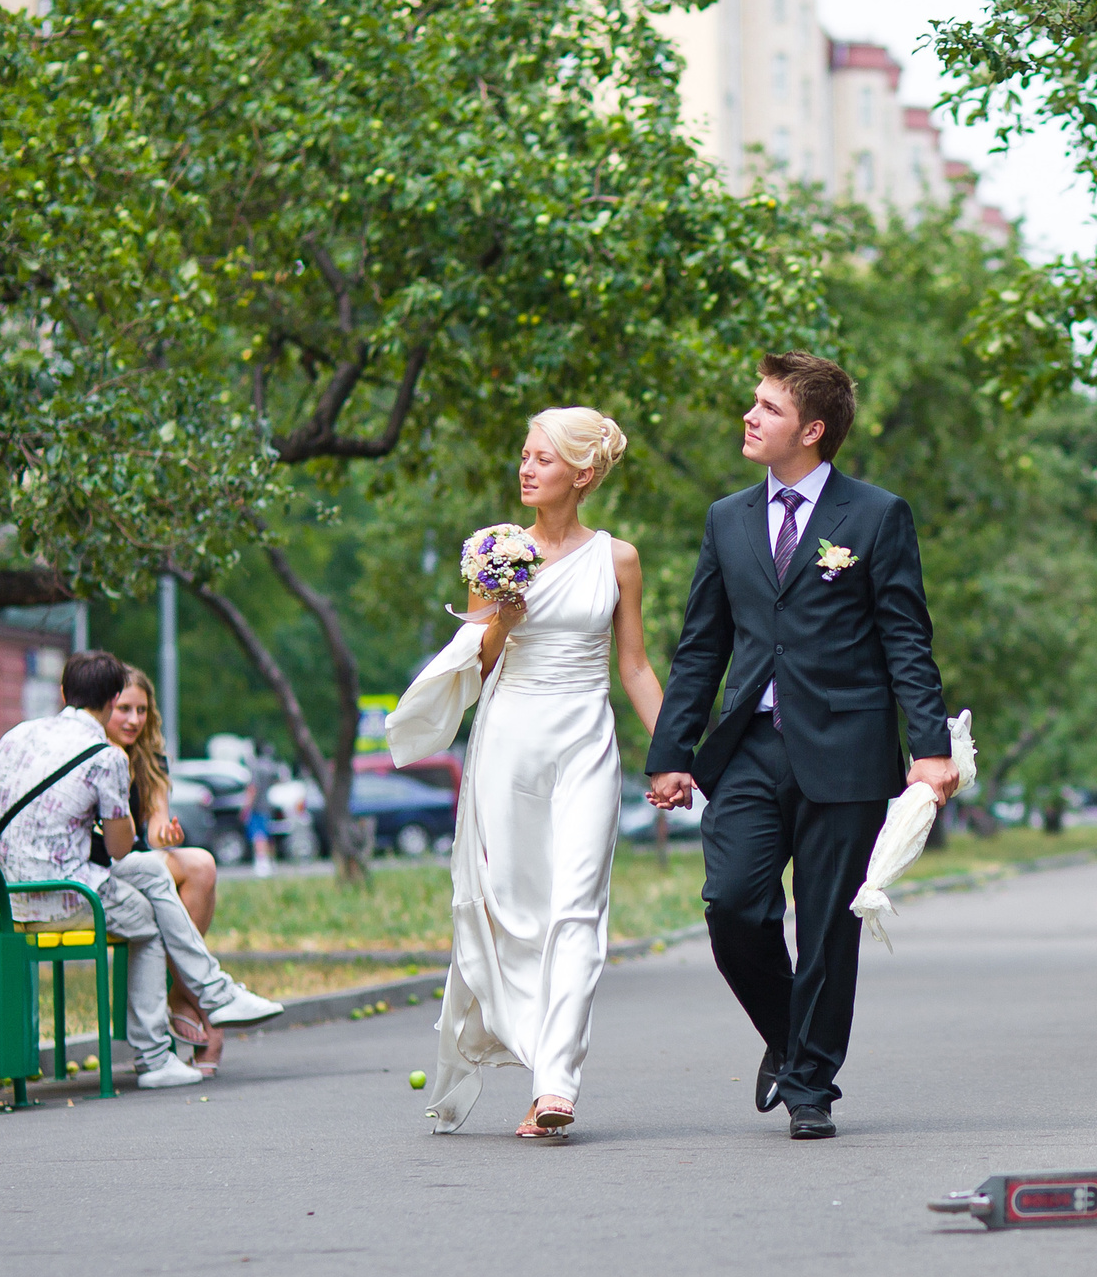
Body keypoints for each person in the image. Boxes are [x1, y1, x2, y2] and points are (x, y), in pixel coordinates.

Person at [645, 351, 958, 1140]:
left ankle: (811, 1084)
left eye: (767, 408)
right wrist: (671, 751)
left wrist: (929, 746)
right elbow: (701, 645)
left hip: (846, 750)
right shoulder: (727, 518)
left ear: (812, 430)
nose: (748, 417)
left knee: (825, 926)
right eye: (752, 405)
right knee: (733, 906)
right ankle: (790, 1039)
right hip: (750, 745)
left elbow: (906, 641)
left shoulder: (876, 516)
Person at [388, 406, 664, 1138]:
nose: (526, 467)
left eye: (542, 457)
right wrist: (503, 612)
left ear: (581, 472)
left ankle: (555, 1083)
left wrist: (673, 751)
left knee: (578, 906)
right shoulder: (494, 550)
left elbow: (633, 666)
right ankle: (532, 1051)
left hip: (585, 740)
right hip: (509, 738)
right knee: (514, 912)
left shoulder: (619, 558)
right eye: (523, 454)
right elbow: (475, 665)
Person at [0, 651, 283, 1091]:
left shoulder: (18, 735)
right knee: (148, 920)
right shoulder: (105, 757)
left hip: (2, 895)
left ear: (62, 693)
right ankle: (158, 1053)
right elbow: (117, 848)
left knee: (151, 872)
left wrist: (24, 846)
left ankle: (215, 992)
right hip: (67, 898)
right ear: (113, 700)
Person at [105, 666, 230, 1075]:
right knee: (194, 870)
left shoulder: (149, 757)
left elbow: (157, 828)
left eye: (142, 710)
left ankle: (181, 994)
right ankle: (194, 998)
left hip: (141, 862)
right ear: (105, 707)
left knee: (201, 864)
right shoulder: (92, 754)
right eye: (124, 708)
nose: (134, 720)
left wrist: (167, 834)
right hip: (102, 868)